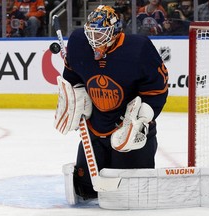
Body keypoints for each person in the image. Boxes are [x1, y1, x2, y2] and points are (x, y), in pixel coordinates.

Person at [54, 5, 168, 200]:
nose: (93, 40)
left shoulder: (138, 49)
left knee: (128, 196)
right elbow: (73, 77)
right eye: (91, 34)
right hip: (95, 131)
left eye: (100, 34)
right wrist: (76, 98)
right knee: (85, 191)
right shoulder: (78, 42)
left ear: (115, 32)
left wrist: (141, 120)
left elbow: (156, 90)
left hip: (127, 131)